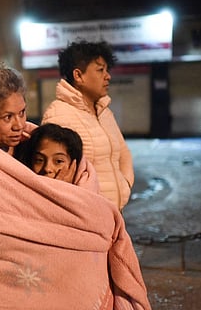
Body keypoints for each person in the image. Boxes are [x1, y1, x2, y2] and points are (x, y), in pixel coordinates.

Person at [0, 54, 150, 309]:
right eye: (7, 118)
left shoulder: (31, 142)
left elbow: (75, 184)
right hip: (1, 286)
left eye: (22, 112)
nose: (19, 124)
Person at [42, 39, 134, 210]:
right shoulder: (58, 116)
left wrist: (125, 185)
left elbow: (123, 153)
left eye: (107, 70)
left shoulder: (105, 112)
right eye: (100, 70)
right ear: (78, 76)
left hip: (115, 213)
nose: (108, 76)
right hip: (86, 217)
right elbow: (53, 175)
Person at [14, 123, 83, 184]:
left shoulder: (86, 195)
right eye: (39, 160)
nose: (47, 169)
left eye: (58, 161)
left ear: (74, 165)